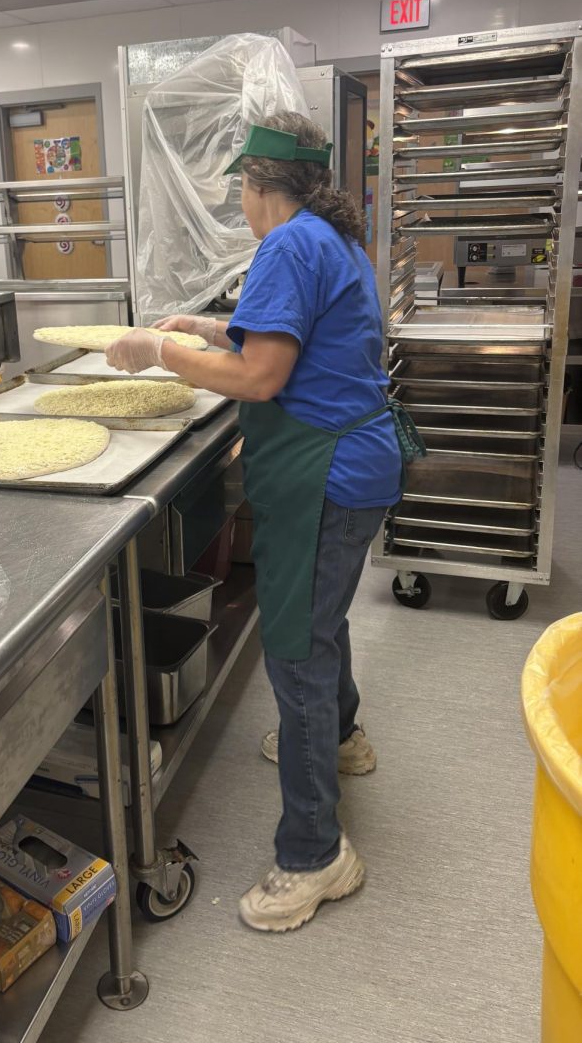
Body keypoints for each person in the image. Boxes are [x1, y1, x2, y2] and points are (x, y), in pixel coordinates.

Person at [106, 112, 405, 933]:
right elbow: (282, 342)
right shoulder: (330, 240)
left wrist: (158, 352)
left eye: (239, 186)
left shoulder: (286, 245)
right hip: (359, 464)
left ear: (254, 185)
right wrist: (203, 328)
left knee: (295, 649)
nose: (239, 200)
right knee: (320, 619)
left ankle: (314, 854)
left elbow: (263, 377)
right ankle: (343, 741)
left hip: (327, 476)